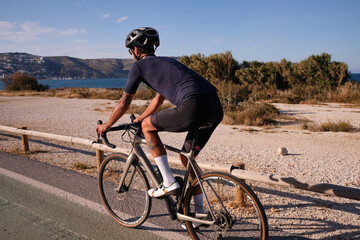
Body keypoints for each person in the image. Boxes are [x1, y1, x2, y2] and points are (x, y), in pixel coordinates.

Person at [96, 28, 223, 213]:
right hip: (215, 106)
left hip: (192, 105)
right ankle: (201, 213)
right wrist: (140, 117)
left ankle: (169, 182)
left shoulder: (138, 67)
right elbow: (158, 99)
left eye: (131, 50)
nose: (132, 54)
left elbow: (124, 102)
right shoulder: (168, 62)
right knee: (187, 158)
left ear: (137, 50)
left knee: (147, 128)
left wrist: (107, 125)